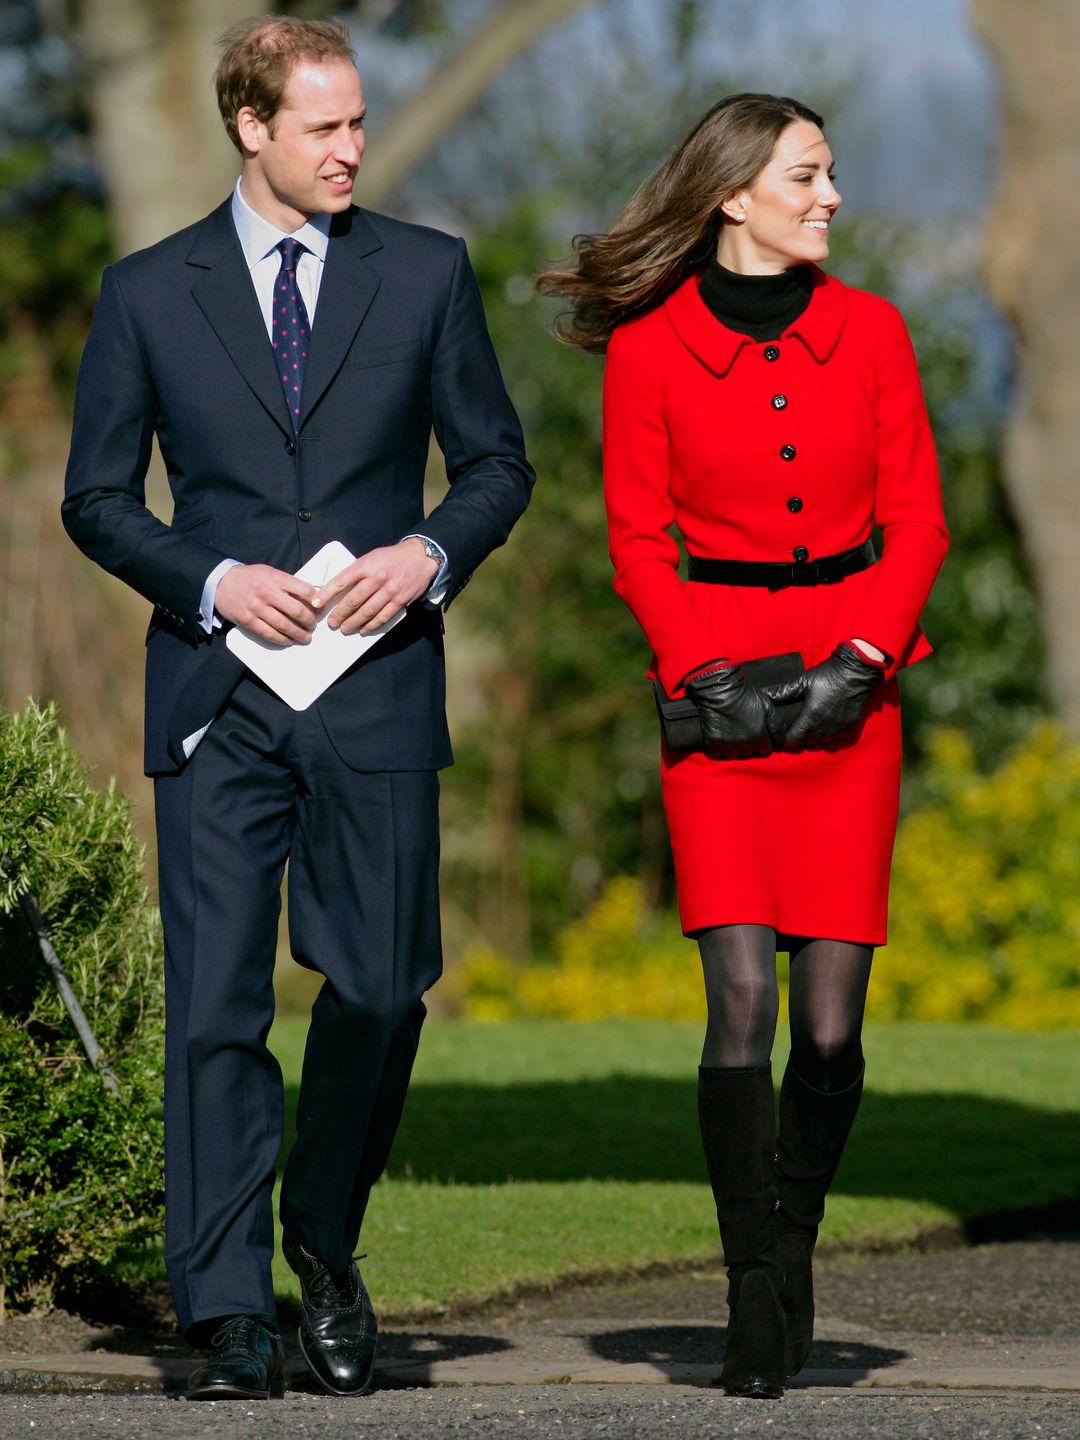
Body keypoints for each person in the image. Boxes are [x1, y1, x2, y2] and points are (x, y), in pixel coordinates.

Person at [62, 16, 533, 1402]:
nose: (352, 149)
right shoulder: (148, 292)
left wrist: (430, 553)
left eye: (359, 123)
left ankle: (322, 1243)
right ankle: (226, 1313)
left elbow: (497, 461)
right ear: (250, 127)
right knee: (214, 1005)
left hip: (378, 689)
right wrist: (209, 578)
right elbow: (95, 499)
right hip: (219, 697)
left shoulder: (429, 274)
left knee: (384, 988)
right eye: (324, 126)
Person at [539, 93, 947, 1398]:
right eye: (808, 176)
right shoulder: (650, 352)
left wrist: (865, 662)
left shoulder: (875, 333)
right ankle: (754, 1289)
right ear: (734, 195)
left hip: (852, 680)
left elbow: (921, 522)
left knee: (827, 1030)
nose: (831, 196)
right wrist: (700, 668)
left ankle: (794, 1237)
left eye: (830, 174)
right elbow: (637, 539)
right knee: (742, 1001)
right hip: (715, 693)